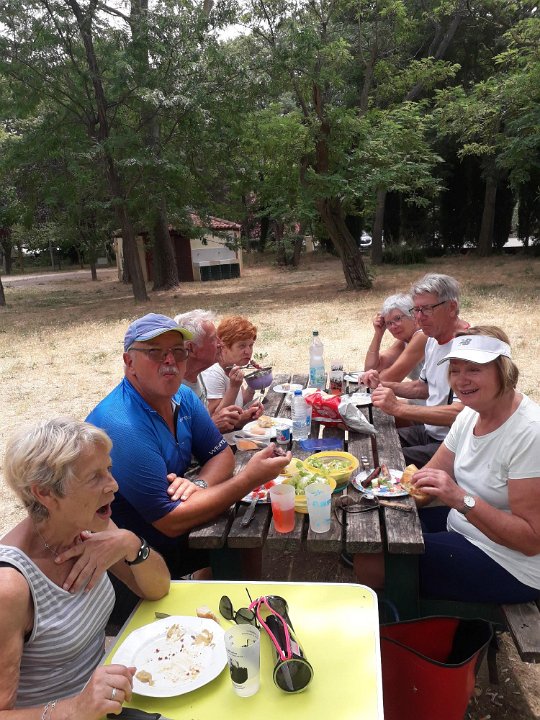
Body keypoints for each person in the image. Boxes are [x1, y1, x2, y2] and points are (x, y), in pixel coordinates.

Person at [86, 313, 290, 583]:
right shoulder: (122, 424)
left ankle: (239, 596)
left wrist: (200, 485)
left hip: (166, 527)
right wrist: (249, 479)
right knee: (239, 534)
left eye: (178, 351)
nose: (170, 360)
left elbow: (221, 454)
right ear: (129, 362)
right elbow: (170, 522)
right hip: (130, 557)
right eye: (155, 352)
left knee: (245, 532)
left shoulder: (182, 396)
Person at [0, 417, 170, 717]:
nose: (113, 485)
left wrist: (130, 543)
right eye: (94, 477)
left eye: (109, 470)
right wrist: (76, 708)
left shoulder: (89, 524)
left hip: (111, 700)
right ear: (45, 493)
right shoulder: (10, 587)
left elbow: (157, 589)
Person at [408, 327, 540, 603]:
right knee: (381, 532)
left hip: (511, 563)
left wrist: (460, 499)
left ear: (503, 370)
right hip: (463, 528)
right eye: (455, 370)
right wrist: (384, 492)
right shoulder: (470, 414)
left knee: (375, 560)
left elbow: (530, 541)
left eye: (474, 369)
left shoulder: (530, 433)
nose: (461, 380)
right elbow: (428, 477)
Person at [364, 273, 469, 466]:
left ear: (452, 307)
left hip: (454, 444)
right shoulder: (433, 339)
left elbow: (461, 413)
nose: (419, 317)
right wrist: (382, 384)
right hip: (429, 431)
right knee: (368, 445)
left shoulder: (469, 348)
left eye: (427, 309)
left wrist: (399, 408)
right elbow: (423, 387)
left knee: (379, 462)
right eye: (416, 310)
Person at [174, 308, 263, 433]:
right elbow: (185, 437)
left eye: (251, 345)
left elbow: (210, 422)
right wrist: (214, 426)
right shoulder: (174, 390)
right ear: (191, 348)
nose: (220, 343)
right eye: (213, 339)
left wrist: (241, 419)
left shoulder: (197, 375)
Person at [202, 315, 262, 417]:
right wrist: (234, 387)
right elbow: (214, 419)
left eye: (250, 345)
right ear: (223, 346)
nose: (248, 351)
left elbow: (241, 403)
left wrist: (253, 383)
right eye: (242, 346)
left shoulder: (231, 367)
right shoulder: (213, 373)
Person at [363, 293, 427, 382]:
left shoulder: (423, 335)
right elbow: (371, 368)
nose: (393, 326)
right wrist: (378, 333)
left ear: (413, 315)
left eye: (397, 318)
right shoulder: (405, 340)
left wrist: (372, 378)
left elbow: (390, 378)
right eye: (388, 323)